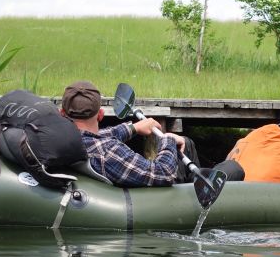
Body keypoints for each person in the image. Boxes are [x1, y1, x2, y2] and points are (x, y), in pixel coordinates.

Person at [61, 80, 200, 187]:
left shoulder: (63, 139)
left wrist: (133, 128)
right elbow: (163, 173)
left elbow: (95, 136)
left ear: (61, 113)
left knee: (185, 143)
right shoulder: (108, 151)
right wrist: (168, 140)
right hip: (149, 199)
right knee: (187, 144)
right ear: (101, 115)